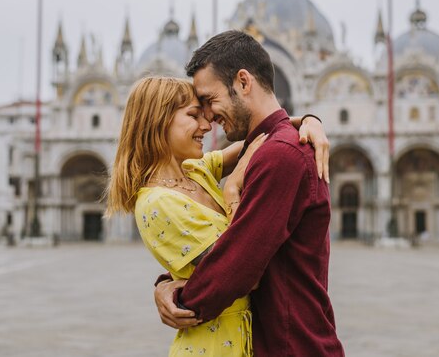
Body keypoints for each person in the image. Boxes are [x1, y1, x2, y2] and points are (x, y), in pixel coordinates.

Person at [105, 76, 328, 356]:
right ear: (158, 120)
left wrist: (310, 121)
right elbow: (242, 270)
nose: (206, 125)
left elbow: (262, 136)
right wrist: (232, 189)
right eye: (194, 115)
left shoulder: (197, 170)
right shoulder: (157, 203)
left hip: (246, 338)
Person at [154, 30, 345, 356]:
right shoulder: (268, 145)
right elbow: (221, 245)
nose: (209, 118)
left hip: (292, 345)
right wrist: (164, 282)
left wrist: (179, 300)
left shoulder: (280, 153)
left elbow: (238, 262)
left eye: (210, 100)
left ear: (243, 82)